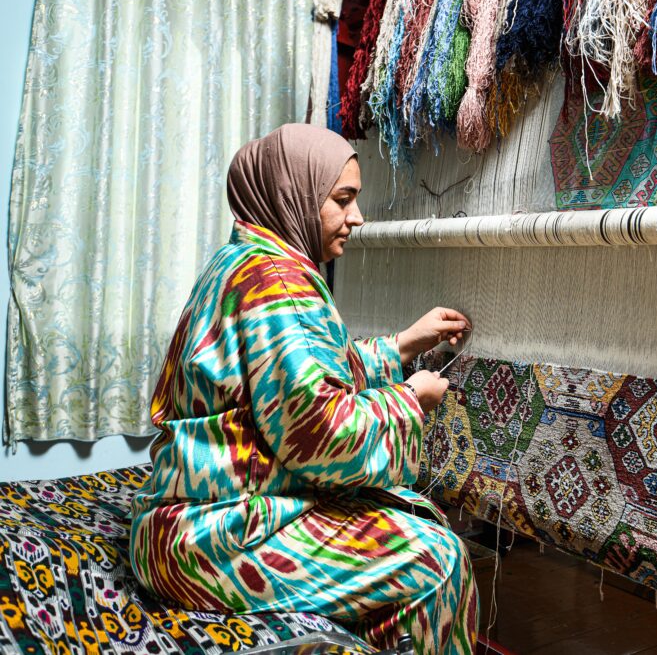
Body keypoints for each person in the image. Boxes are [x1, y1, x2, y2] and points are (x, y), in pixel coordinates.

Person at [129, 123, 478, 654]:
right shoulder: (279, 285)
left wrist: (405, 343)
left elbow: (301, 376)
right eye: (342, 200)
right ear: (294, 194)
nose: (356, 217)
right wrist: (412, 400)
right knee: (437, 562)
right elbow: (319, 435)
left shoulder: (243, 261)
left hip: (180, 523)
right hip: (211, 541)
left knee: (391, 524)